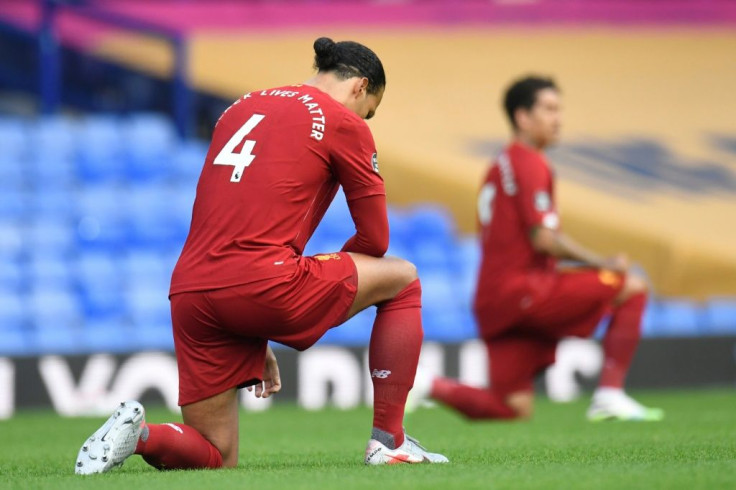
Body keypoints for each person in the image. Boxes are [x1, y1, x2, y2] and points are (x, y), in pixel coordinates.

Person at [75, 37, 448, 475]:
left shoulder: (241, 107)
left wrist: (258, 320)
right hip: (264, 283)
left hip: (192, 291)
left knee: (215, 456)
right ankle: (390, 442)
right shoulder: (341, 121)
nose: (366, 119)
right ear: (360, 87)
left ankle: (140, 436)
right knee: (403, 278)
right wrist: (290, 295)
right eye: (370, 109)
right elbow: (376, 238)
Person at [410, 76, 663, 422]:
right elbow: (543, 238)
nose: (558, 118)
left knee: (512, 408)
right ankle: (610, 394)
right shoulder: (529, 161)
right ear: (522, 117)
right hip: (525, 291)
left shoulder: (499, 164)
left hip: (494, 300)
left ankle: (427, 384)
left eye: (558, 110)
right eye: (549, 109)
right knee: (632, 286)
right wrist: (602, 262)